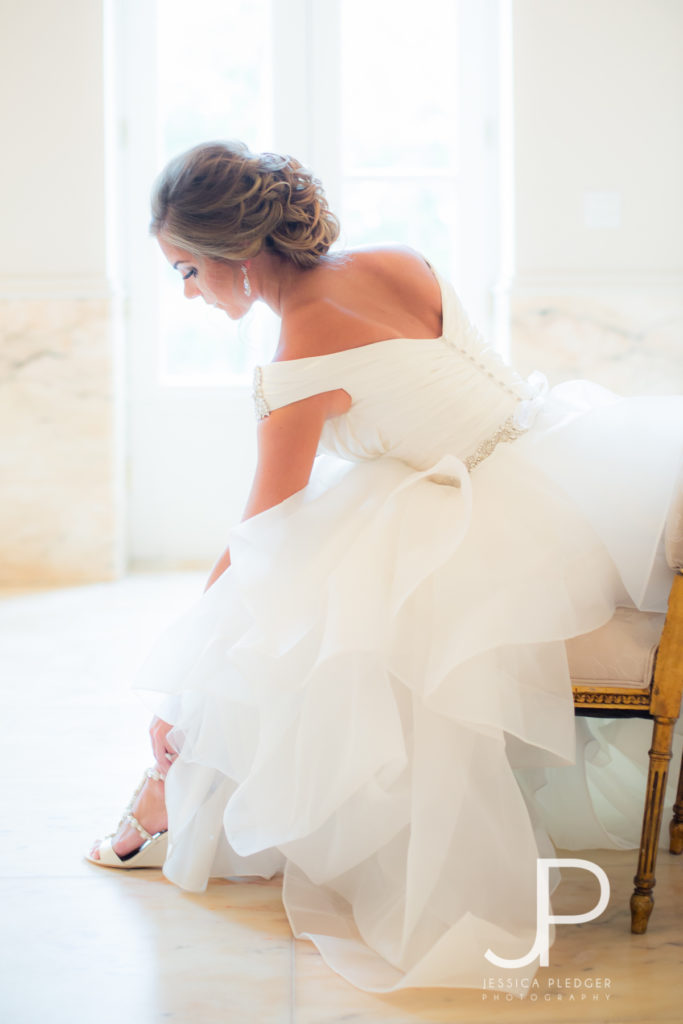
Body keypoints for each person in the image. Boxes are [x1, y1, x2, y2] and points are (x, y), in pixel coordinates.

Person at [87, 140, 683, 994]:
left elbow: (262, 525)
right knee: (316, 570)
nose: (186, 294)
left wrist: (189, 648)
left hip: (493, 532)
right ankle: (168, 784)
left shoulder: (297, 359)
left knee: (264, 609)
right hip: (570, 483)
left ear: (233, 256)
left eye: (186, 271)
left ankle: (164, 791)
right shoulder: (401, 258)